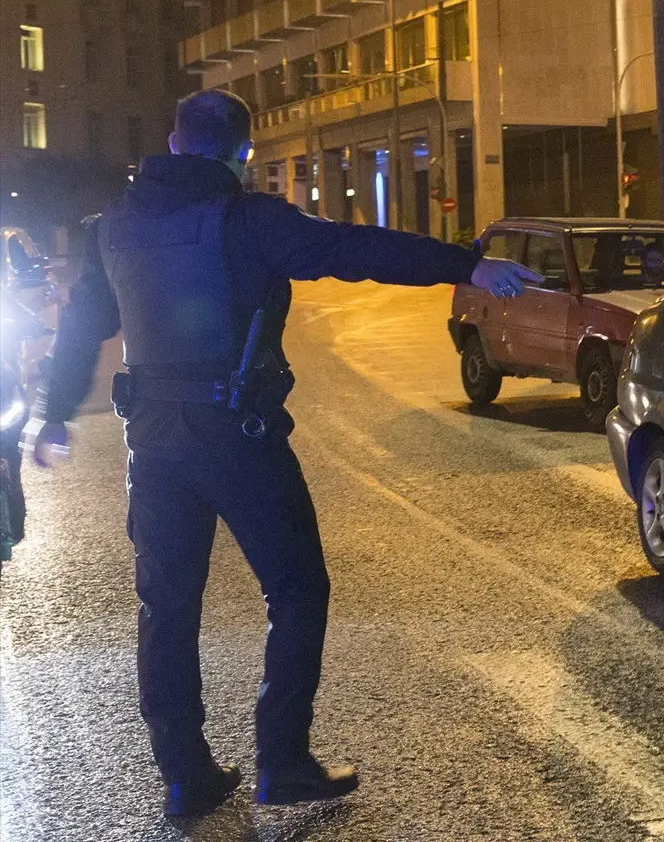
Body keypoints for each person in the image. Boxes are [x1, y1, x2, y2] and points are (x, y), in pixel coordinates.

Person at [26, 90, 540, 818]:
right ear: (241, 153)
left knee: (166, 608)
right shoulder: (249, 219)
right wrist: (467, 266)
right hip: (238, 436)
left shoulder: (116, 226)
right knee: (297, 590)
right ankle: (283, 761)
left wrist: (53, 414)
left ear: (173, 145)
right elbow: (353, 249)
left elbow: (81, 325)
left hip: (155, 442)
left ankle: (185, 777)